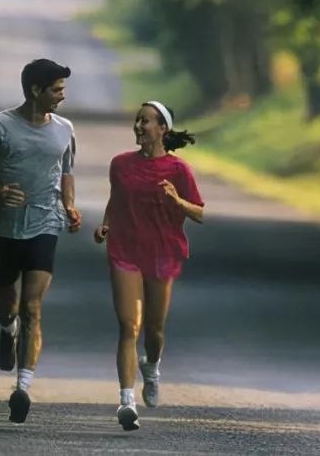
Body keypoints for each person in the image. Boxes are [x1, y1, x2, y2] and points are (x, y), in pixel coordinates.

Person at [0, 58, 82, 424]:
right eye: (57, 89)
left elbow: (67, 171)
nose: (62, 96)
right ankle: (5, 330)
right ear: (35, 91)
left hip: (46, 223)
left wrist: (70, 206)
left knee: (33, 308)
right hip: (4, 227)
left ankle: (22, 388)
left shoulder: (64, 129)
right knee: (7, 306)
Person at [93, 100, 204, 431]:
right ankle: (126, 401)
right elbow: (116, 201)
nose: (139, 126)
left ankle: (152, 367)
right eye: (137, 120)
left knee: (154, 330)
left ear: (163, 129)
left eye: (146, 121)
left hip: (161, 252)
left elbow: (198, 212)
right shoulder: (120, 164)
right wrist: (105, 225)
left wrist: (177, 201)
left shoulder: (179, 170)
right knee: (130, 326)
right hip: (125, 249)